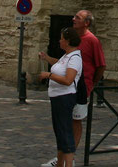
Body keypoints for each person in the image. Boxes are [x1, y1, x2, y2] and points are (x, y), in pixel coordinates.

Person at [40, 9, 106, 167]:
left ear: (86, 23)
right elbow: (63, 64)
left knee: (74, 122)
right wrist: (47, 58)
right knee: (64, 125)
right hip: (67, 90)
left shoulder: (92, 40)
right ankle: (62, 159)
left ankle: (70, 157)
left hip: (81, 88)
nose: (73, 18)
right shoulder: (72, 45)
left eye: (78, 17)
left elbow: (101, 66)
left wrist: (91, 84)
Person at [39, 27, 83, 167]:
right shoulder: (66, 56)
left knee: (65, 133)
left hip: (65, 98)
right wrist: (46, 58)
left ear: (68, 41)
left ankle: (68, 164)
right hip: (57, 98)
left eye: (62, 38)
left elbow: (68, 80)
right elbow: (59, 65)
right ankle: (59, 164)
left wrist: (48, 75)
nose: (59, 41)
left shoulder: (75, 57)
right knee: (60, 133)